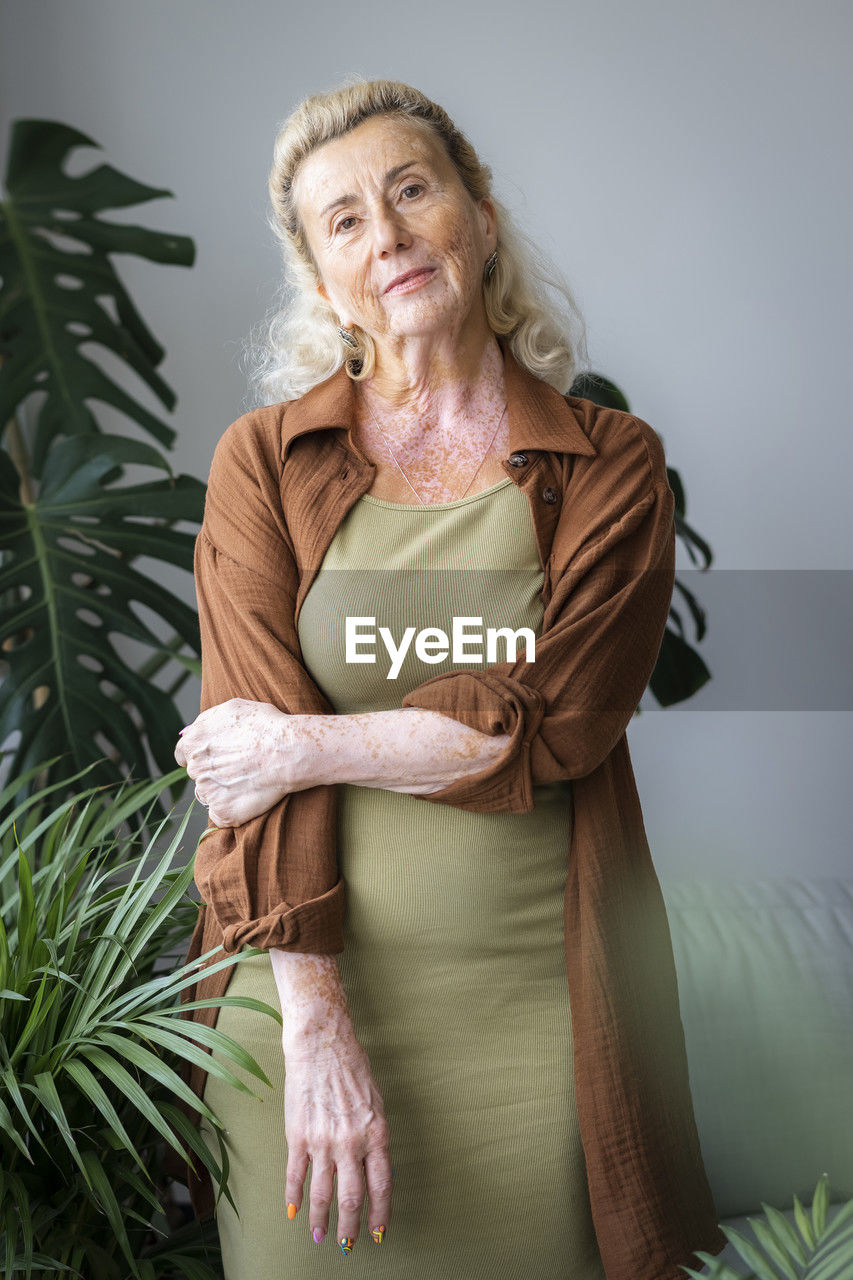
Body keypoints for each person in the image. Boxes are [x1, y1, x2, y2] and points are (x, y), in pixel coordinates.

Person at [172, 77, 727, 1280]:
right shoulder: (263, 464)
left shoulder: (607, 463)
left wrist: (302, 742)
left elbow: (553, 724)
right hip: (303, 1012)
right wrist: (315, 1029)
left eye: (412, 190)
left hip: (548, 1022)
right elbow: (241, 764)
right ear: (323, 281)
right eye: (346, 220)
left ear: (477, 217)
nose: (390, 235)